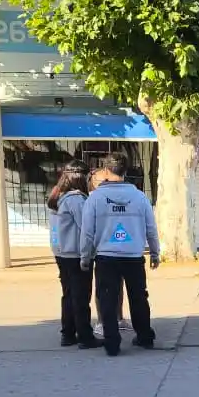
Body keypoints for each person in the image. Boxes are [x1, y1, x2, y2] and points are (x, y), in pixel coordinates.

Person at [80, 152, 160, 357]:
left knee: (107, 298)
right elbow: (151, 228)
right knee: (139, 297)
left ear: (106, 171)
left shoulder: (95, 198)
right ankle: (144, 337)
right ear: (126, 171)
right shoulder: (139, 197)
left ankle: (112, 343)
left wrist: (85, 256)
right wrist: (155, 252)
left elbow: (87, 231)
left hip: (106, 257)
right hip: (133, 256)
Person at [47, 160, 101, 349]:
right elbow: (86, 230)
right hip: (76, 255)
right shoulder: (76, 199)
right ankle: (85, 336)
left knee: (69, 295)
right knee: (80, 297)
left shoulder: (57, 195)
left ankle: (68, 333)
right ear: (81, 177)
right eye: (89, 177)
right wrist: (88, 255)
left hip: (62, 253)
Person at [88, 166, 132, 337]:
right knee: (104, 290)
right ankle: (101, 322)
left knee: (119, 286)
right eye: (100, 178)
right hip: (102, 250)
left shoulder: (118, 195)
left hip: (120, 246)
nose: (104, 181)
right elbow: (88, 228)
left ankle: (119, 318)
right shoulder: (94, 198)